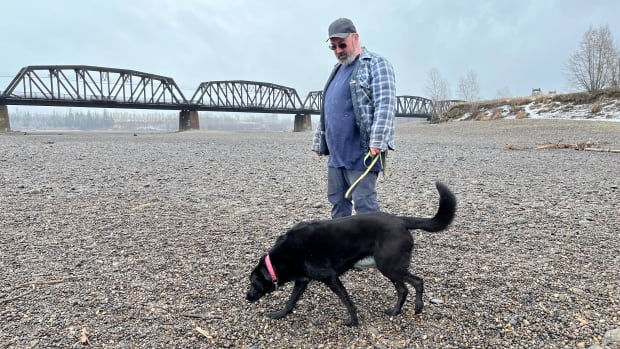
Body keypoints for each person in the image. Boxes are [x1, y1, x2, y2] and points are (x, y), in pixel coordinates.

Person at [312, 17, 396, 219]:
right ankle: (342, 248)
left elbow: (385, 105)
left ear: (355, 38)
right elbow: (328, 107)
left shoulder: (377, 64)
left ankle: (370, 249)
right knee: (337, 202)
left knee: (365, 205)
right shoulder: (337, 70)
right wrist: (318, 140)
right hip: (336, 153)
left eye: (342, 44)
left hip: (362, 152)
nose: (338, 50)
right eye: (334, 47)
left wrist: (377, 141)